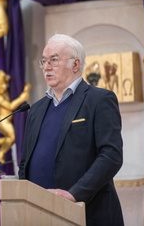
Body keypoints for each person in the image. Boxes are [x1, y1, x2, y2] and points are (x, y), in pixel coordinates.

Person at [18, 34, 124, 225]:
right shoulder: (36, 109)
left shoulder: (99, 100)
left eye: (54, 60)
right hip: (39, 214)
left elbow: (111, 156)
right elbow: (25, 163)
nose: (47, 67)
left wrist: (74, 194)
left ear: (75, 65)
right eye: (44, 61)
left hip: (88, 213)